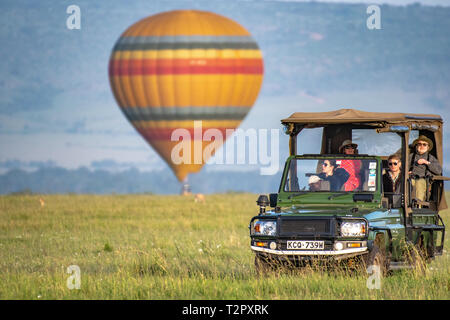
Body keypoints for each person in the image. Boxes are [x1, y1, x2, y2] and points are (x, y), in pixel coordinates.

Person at [409, 135, 442, 202]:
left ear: (428, 147)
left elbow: (438, 171)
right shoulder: (410, 156)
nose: (422, 146)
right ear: (416, 146)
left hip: (423, 179)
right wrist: (407, 172)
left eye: (424, 144)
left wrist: (427, 162)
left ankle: (418, 206)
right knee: (406, 183)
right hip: (410, 178)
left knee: (419, 184)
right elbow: (401, 166)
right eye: (420, 144)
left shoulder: (431, 158)